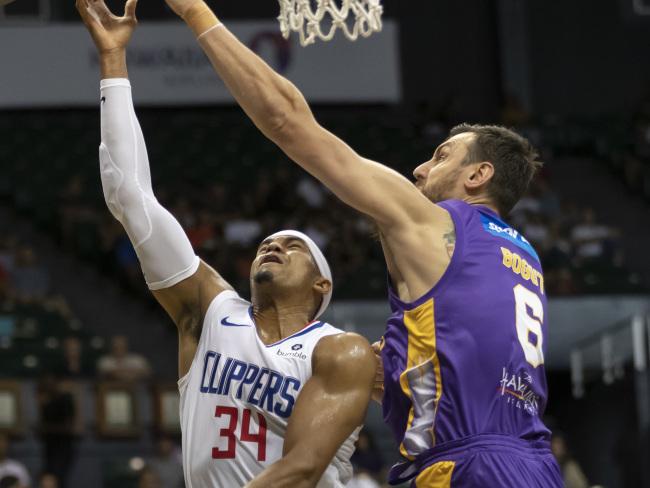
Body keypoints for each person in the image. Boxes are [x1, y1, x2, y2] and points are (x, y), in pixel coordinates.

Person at [164, 1, 563, 486]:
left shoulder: (439, 224)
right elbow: (466, 361)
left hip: (466, 465)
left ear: (479, 175)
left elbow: (290, 123)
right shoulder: (524, 256)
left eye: (441, 157)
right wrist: (391, 372)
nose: (420, 169)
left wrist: (195, 13)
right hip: (535, 463)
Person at [76, 2, 376, 488]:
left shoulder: (337, 348)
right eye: (267, 242)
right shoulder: (212, 311)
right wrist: (113, 59)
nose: (272, 246)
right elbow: (129, 195)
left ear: (323, 284)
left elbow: (299, 473)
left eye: (293, 245)